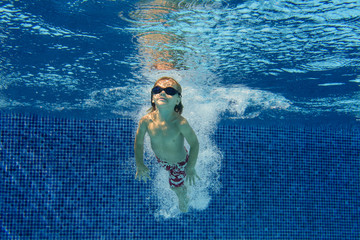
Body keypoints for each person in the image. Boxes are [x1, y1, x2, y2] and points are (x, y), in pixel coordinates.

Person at [134, 76, 199, 212]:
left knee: (174, 186)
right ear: (153, 98)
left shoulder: (180, 123)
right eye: (157, 90)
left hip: (179, 163)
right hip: (162, 160)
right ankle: (181, 185)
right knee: (172, 176)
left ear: (177, 100)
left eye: (169, 90)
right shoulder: (145, 121)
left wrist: (191, 167)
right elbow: (139, 143)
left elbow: (194, 144)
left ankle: (183, 196)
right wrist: (140, 163)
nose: (162, 93)